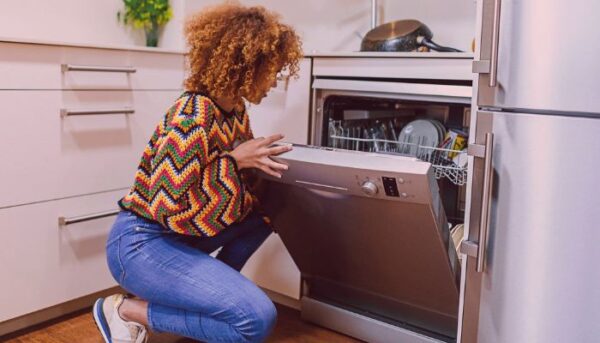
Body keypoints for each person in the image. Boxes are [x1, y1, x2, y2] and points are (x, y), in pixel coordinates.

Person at [91, 3, 302, 342]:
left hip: (178, 238)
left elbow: (232, 193)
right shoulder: (192, 114)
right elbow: (168, 204)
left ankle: (203, 302)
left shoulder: (235, 113)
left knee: (265, 213)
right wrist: (234, 162)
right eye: (272, 70)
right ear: (247, 65)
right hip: (141, 245)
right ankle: (127, 311)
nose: (275, 80)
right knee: (256, 320)